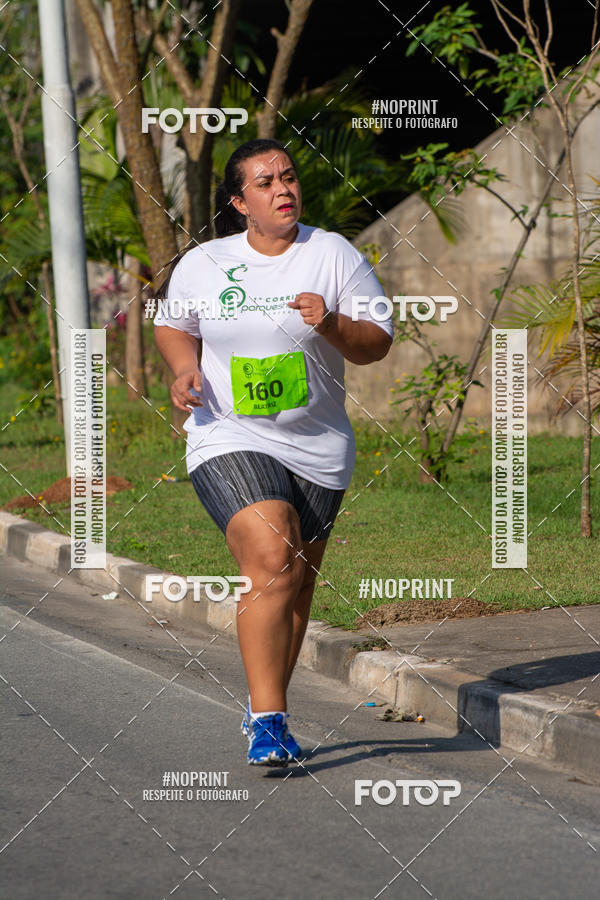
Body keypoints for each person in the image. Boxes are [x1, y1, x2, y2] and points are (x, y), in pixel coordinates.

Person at [154, 138, 393, 767]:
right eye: (265, 182)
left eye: (288, 177)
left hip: (317, 445)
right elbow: (175, 324)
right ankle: (268, 720)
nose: (283, 188)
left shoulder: (334, 254)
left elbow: (374, 343)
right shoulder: (204, 263)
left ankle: (271, 704)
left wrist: (331, 325)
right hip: (227, 431)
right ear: (240, 203)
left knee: (294, 586)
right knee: (272, 550)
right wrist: (183, 371)